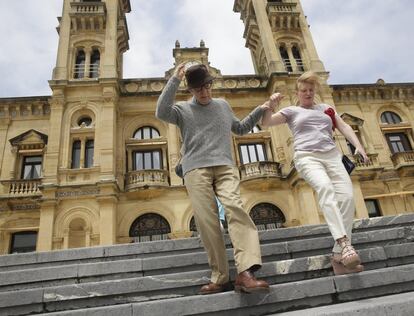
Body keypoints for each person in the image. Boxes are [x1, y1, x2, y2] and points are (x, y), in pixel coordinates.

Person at [156, 62, 270, 294]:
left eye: (207, 87)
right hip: (195, 169)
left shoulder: (222, 105)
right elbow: (161, 111)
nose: (204, 93)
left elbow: (240, 128)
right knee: (208, 223)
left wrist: (261, 109)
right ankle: (220, 277)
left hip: (225, 166)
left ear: (211, 84)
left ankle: (246, 271)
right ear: (191, 91)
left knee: (236, 209)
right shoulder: (182, 110)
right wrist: (175, 79)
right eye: (198, 89)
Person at [262, 71, 369, 275]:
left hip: (333, 156)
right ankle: (344, 243)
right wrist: (270, 104)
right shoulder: (291, 111)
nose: (308, 93)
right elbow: (266, 122)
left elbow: (344, 126)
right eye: (304, 90)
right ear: (298, 92)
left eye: (311, 90)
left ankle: (338, 256)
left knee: (347, 198)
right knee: (325, 188)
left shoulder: (326, 109)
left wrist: (359, 146)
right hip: (307, 157)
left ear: (315, 91)